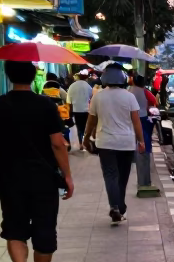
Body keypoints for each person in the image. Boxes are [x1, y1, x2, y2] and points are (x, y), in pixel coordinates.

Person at [0, 60, 74, 262]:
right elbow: (57, 143)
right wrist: (68, 175)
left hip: (9, 175)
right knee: (44, 229)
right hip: (42, 177)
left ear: (8, 76)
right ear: (33, 78)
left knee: (14, 227)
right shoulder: (45, 104)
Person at [85, 64, 145, 223]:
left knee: (110, 175)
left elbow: (91, 121)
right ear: (123, 78)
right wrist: (141, 141)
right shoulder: (129, 96)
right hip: (126, 143)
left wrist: (85, 138)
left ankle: (115, 206)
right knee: (123, 177)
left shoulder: (98, 96)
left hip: (105, 143)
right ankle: (120, 206)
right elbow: (136, 121)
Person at [129, 74, 159, 190]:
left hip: (130, 118)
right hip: (142, 117)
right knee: (144, 143)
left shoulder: (128, 91)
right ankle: (144, 181)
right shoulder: (144, 91)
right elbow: (154, 100)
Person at [66, 69, 93, 147]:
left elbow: (69, 100)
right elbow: (91, 97)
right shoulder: (88, 86)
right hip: (86, 109)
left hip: (76, 110)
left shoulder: (72, 86)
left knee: (78, 126)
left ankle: (80, 143)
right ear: (85, 78)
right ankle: (85, 141)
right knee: (85, 126)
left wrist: (70, 111)